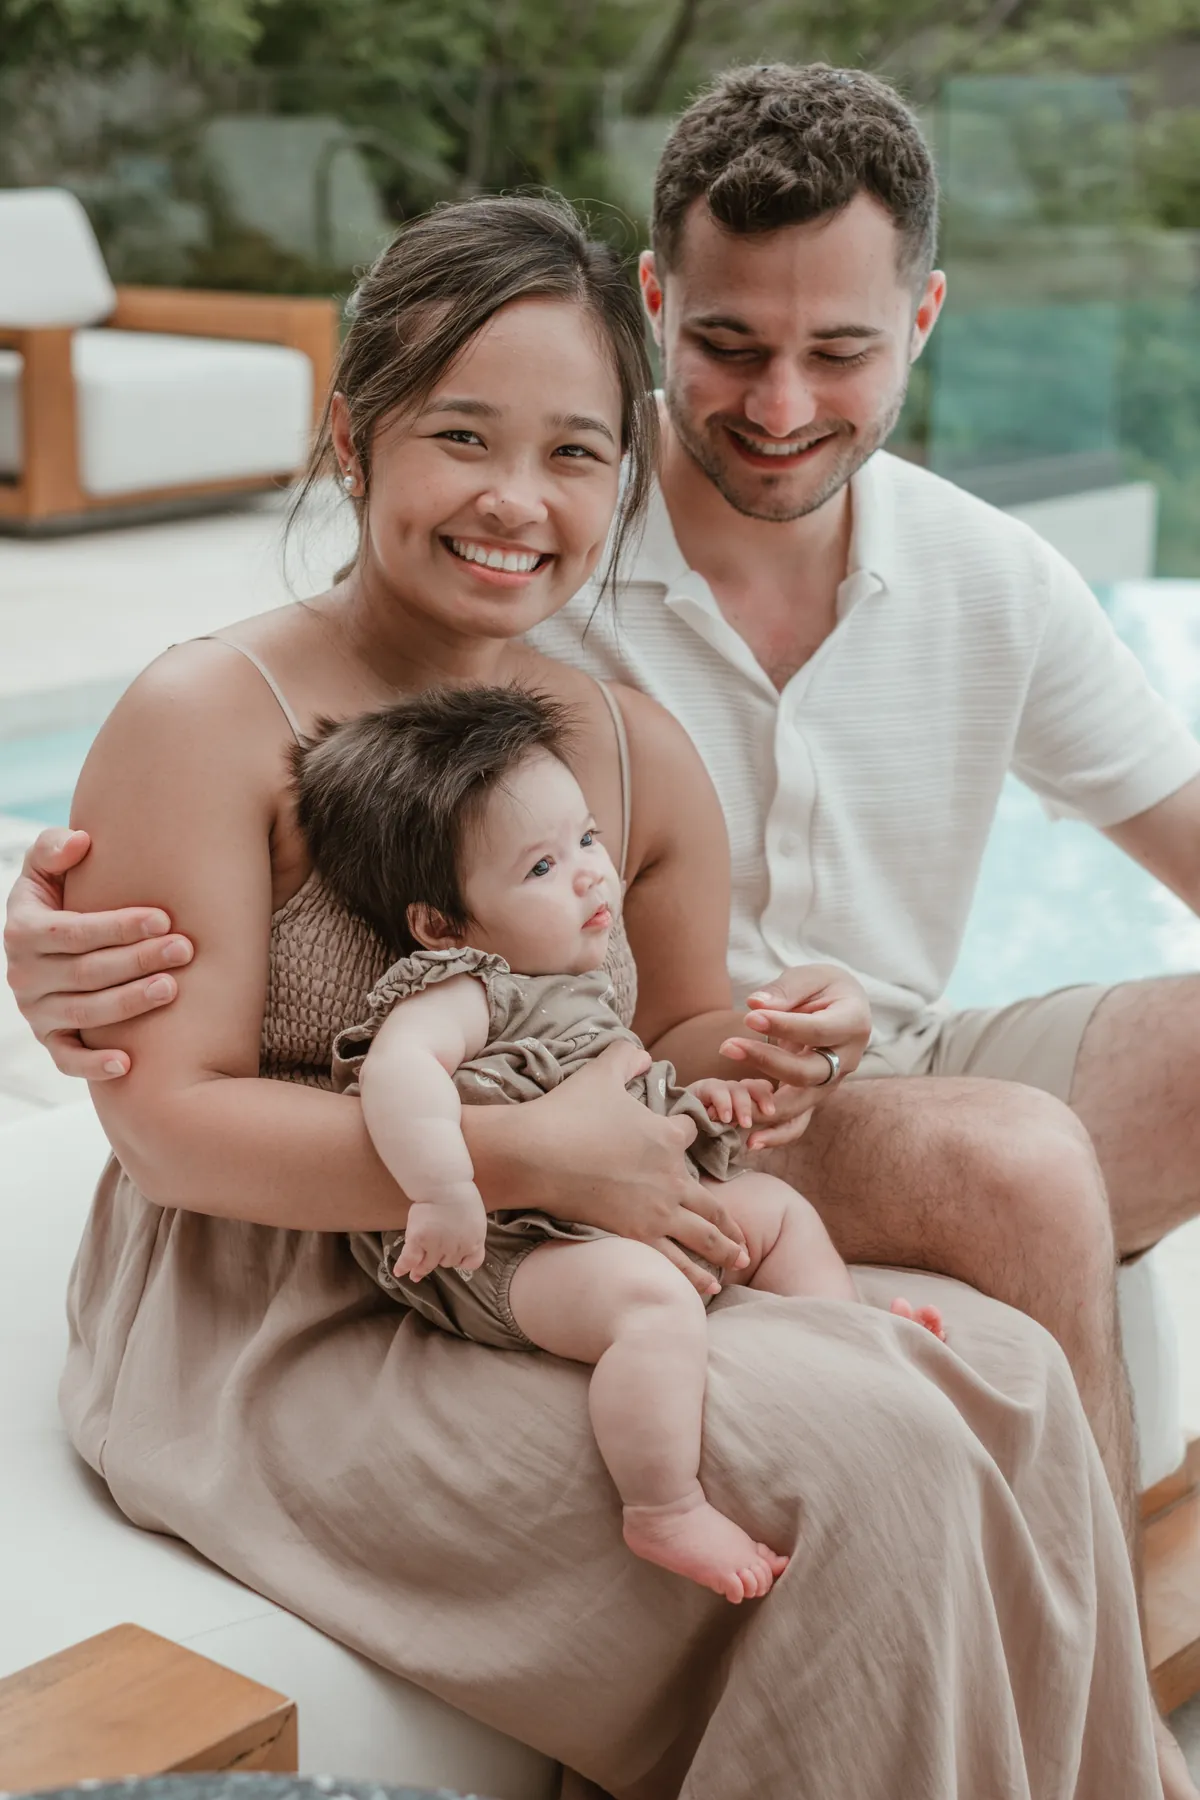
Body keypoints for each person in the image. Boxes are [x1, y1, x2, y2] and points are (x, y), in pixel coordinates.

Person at [1, 191, 1165, 1795]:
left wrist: (782, 1044)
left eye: (574, 452)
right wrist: (521, 1156)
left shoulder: (620, 743)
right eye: (461, 436)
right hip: (284, 1315)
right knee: (874, 1459)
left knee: (1013, 1380)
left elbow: (672, 1038)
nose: (517, 498)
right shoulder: (211, 716)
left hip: (569, 1262)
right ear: (352, 440)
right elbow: (171, 1132)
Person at [295, 684, 943, 1604]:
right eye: (542, 866)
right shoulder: (465, 988)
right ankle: (664, 1506)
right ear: (441, 925)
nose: (590, 875)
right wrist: (444, 1191)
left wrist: (706, 1103)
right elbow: (399, 1075)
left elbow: (630, 1095)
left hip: (601, 1211)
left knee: (777, 1210)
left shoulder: (579, 984)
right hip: (505, 1247)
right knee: (649, 1300)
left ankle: (840, 1332)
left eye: (588, 840)